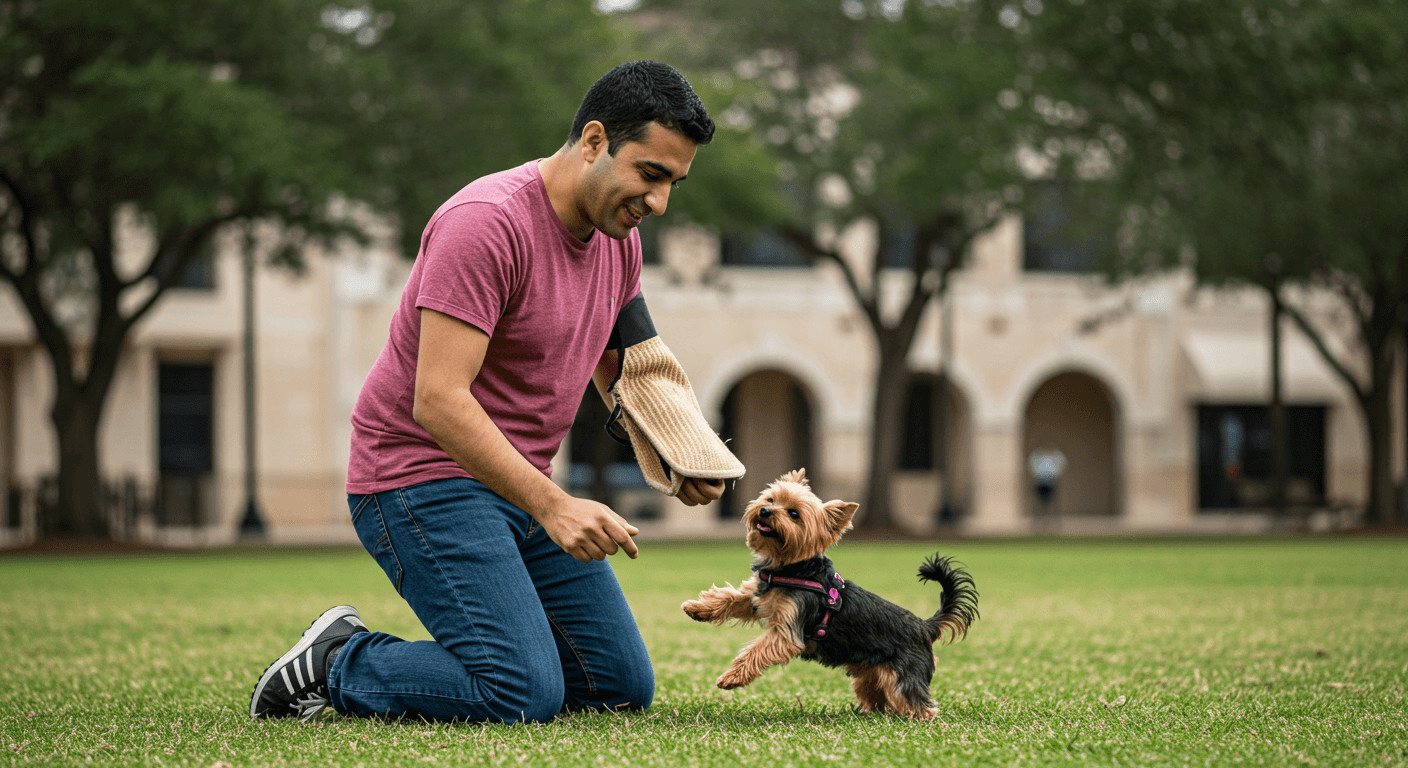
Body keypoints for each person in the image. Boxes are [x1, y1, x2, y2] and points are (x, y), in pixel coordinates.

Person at [249, 60, 724, 724]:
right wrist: (555, 506)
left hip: (516, 482)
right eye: (650, 174)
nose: (659, 202)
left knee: (618, 685)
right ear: (594, 142)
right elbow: (437, 400)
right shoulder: (485, 223)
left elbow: (632, 364)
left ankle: (505, 648)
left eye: (674, 182)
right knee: (520, 693)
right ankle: (336, 662)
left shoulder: (620, 243)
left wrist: (685, 450)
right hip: (418, 479)